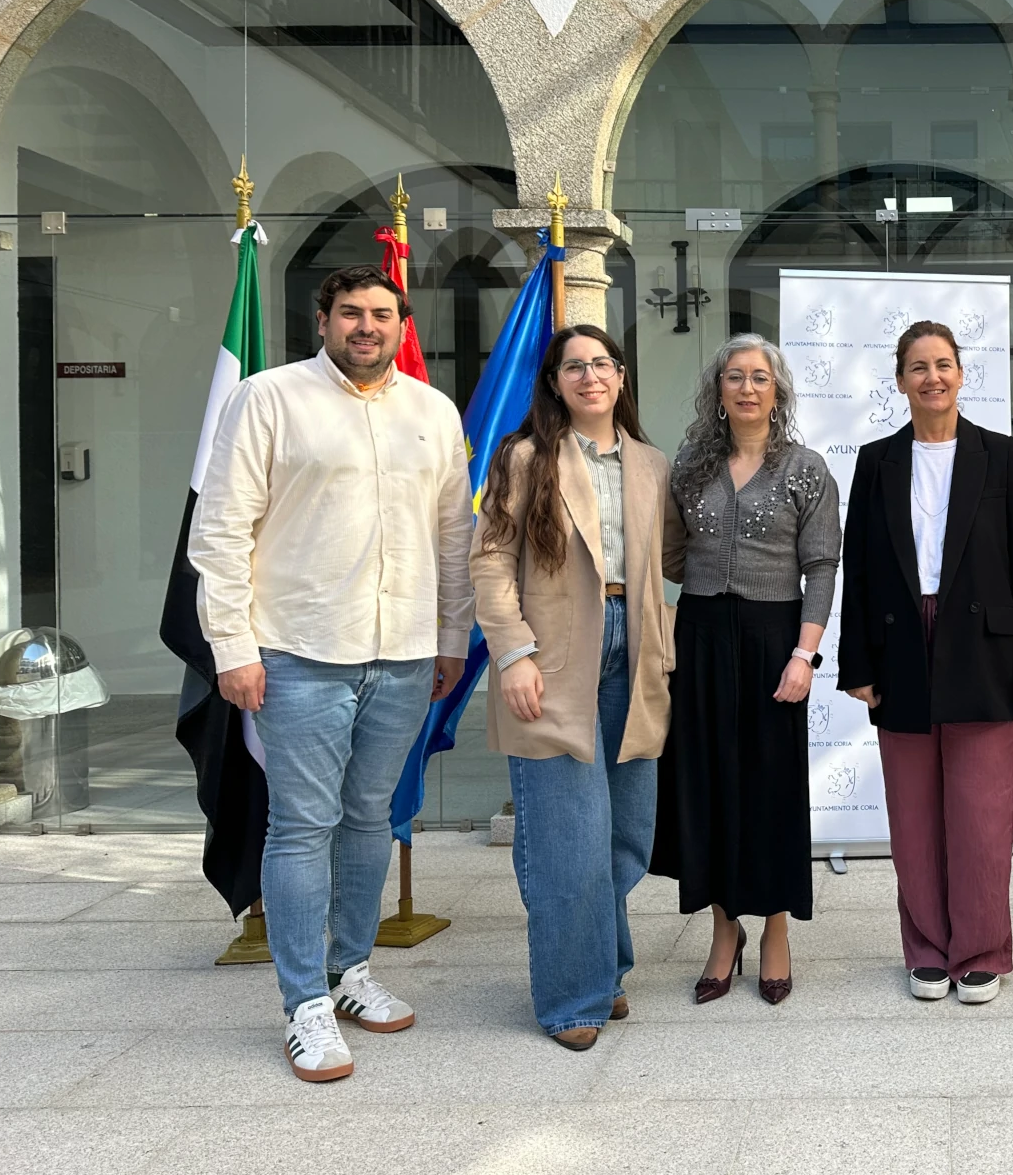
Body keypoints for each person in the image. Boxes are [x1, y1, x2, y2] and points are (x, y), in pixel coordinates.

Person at [190, 265, 472, 1083]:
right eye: (351, 312)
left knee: (371, 820)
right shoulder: (269, 399)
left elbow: (453, 537)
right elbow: (221, 531)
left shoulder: (433, 411)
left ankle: (351, 972)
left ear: (401, 325)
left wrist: (451, 635)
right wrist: (232, 646)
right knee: (303, 826)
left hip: (404, 651)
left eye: (382, 313)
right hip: (298, 652)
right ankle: (304, 1004)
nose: (366, 326)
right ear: (323, 320)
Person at [468, 325, 678, 1051]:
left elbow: (674, 557)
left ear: (621, 375)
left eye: (602, 363)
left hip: (636, 649)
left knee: (627, 833)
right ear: (554, 383)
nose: (590, 376)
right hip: (551, 652)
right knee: (566, 835)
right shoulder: (525, 457)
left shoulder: (651, 462)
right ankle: (572, 998)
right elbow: (491, 561)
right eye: (574, 366)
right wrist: (513, 653)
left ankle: (601, 965)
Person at [838, 321, 1013, 1005]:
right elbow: (858, 566)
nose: (932, 377)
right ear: (900, 380)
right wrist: (857, 663)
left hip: (984, 647)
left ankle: (982, 950)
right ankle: (928, 950)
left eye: (943, 364)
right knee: (913, 816)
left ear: (961, 374)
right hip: (901, 642)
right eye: (918, 367)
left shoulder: (997, 453)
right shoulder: (876, 460)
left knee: (982, 814)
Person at [651, 334, 840, 1005]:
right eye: (735, 376)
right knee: (706, 783)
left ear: (778, 391)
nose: (748, 388)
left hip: (773, 638)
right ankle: (723, 928)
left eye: (760, 377)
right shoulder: (691, 465)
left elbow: (822, 566)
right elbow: (671, 551)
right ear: (719, 391)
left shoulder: (806, 469)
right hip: (700, 635)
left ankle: (776, 928)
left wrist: (803, 655)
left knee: (769, 786)